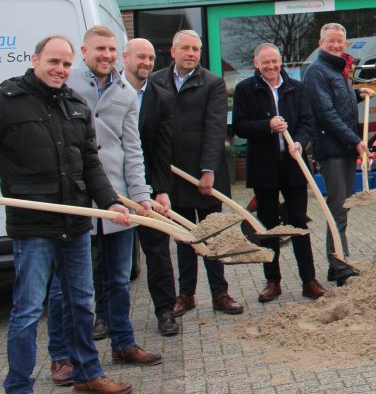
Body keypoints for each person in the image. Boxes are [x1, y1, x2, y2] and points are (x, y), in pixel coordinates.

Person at [0, 35, 134, 394]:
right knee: (28, 311)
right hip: (33, 226)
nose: (60, 70)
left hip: (76, 223)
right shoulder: (4, 103)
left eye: (66, 64)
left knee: (82, 302)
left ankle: (87, 374)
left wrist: (110, 202)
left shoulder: (76, 105)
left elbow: (90, 164)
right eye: (53, 62)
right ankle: (19, 386)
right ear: (35, 60)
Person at [47, 27, 164, 384]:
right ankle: (62, 356)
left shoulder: (125, 92)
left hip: (117, 199)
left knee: (118, 278)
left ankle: (122, 342)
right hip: (76, 200)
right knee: (67, 284)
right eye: (100, 48)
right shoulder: (67, 84)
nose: (107, 54)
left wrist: (141, 195)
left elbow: (133, 148)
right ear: (85, 50)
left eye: (112, 49)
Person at [148, 29, 245, 316]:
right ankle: (186, 294)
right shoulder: (156, 81)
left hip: (204, 174)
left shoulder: (212, 83)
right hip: (171, 174)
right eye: (186, 48)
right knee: (184, 238)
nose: (192, 54)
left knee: (212, 234)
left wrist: (208, 170)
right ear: (174, 52)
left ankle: (220, 293)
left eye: (196, 49)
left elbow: (216, 128)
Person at [232, 43, 327, 302]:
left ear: (281, 61)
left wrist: (300, 141)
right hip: (264, 167)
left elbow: (308, 122)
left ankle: (309, 280)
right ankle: (272, 281)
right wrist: (267, 125)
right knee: (269, 227)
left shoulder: (297, 87)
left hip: (294, 166)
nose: (271, 67)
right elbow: (239, 126)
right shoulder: (245, 90)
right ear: (256, 64)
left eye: (275, 62)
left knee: (299, 224)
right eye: (266, 63)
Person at [303, 22, 373, 285]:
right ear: (321, 43)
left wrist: (356, 94)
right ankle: (341, 266)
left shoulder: (339, 70)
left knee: (343, 207)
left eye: (340, 41)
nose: (335, 45)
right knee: (338, 208)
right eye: (331, 41)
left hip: (343, 149)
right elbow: (326, 113)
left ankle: (336, 262)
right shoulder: (316, 71)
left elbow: (338, 102)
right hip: (331, 150)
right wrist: (355, 140)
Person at [122, 37, 180, 336]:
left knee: (157, 251)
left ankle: (166, 311)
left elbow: (162, 149)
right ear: (125, 58)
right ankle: (106, 316)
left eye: (150, 58)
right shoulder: (107, 93)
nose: (146, 62)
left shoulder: (162, 97)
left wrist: (160, 189)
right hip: (112, 188)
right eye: (140, 57)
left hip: (146, 184)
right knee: (108, 257)